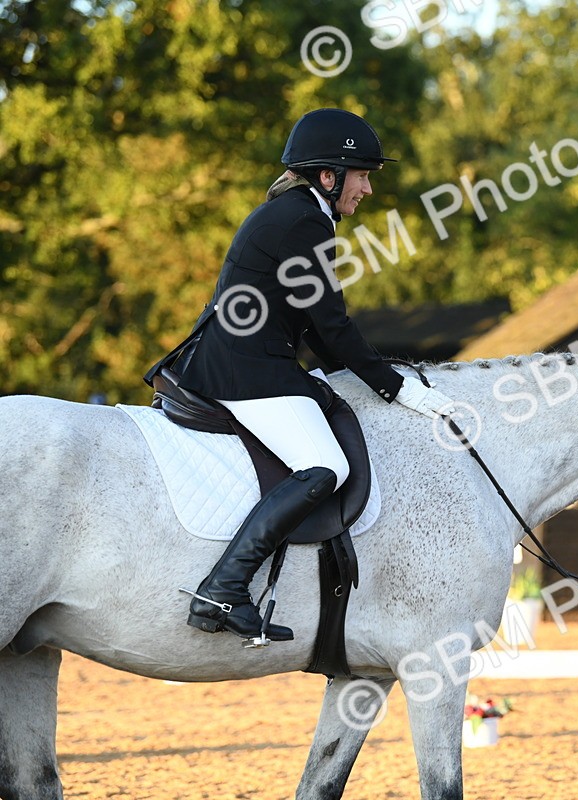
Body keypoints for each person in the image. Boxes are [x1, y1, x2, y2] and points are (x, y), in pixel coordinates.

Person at [145, 108, 451, 643]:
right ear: (329, 176)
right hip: (243, 369)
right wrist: (395, 387)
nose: (369, 189)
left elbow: (311, 319)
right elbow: (331, 323)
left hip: (248, 357)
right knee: (324, 464)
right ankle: (225, 585)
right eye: (363, 176)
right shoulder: (304, 220)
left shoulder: (295, 213)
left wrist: (354, 374)